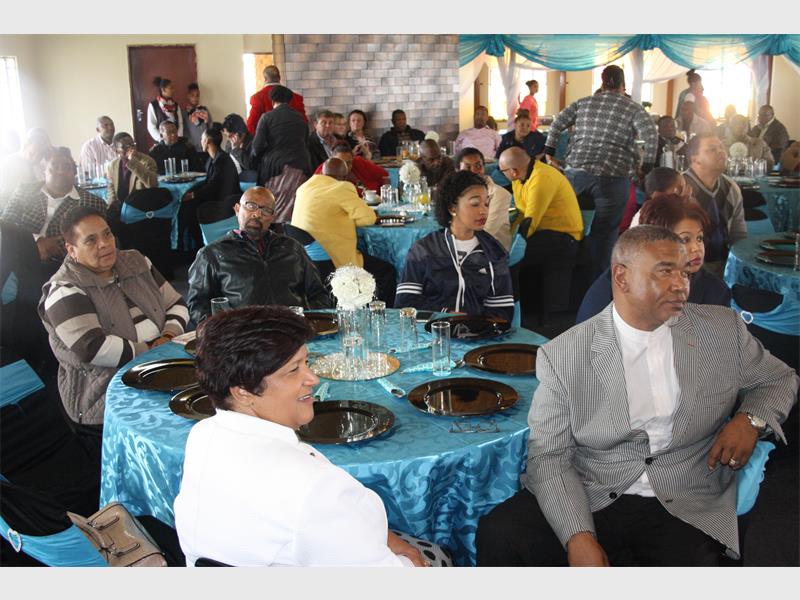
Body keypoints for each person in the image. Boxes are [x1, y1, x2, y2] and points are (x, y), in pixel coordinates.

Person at [476, 225, 799, 566]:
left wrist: (750, 420)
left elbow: (779, 379)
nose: (681, 285)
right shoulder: (565, 355)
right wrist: (577, 535)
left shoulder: (720, 329)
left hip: (688, 490)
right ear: (622, 277)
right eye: (664, 272)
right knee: (500, 534)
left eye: (684, 272)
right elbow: (549, 455)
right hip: (593, 489)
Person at [173, 305, 432, 567]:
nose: (313, 378)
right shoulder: (314, 489)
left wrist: (384, 538)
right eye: (293, 370)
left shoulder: (203, 435)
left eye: (306, 363)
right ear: (243, 392)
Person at [38, 206, 187, 437]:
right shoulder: (63, 289)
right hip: (107, 395)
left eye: (107, 234)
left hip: (162, 371)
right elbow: (93, 348)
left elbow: (176, 303)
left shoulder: (136, 261)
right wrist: (153, 351)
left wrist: (167, 337)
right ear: (72, 250)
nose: (104, 244)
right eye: (91, 240)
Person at [544, 65, 658, 279]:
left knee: (571, 225)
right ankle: (597, 283)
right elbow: (651, 135)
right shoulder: (632, 108)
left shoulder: (584, 102)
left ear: (602, 83)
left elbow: (557, 123)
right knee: (604, 234)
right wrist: (646, 167)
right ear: (623, 85)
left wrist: (549, 152)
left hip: (576, 176)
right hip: (611, 178)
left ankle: (569, 277)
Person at [577, 194, 731, 323]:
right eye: (685, 240)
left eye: (699, 238)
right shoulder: (617, 285)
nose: (697, 248)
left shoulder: (714, 290)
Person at [186, 187, 331, 324]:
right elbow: (197, 305)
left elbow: (318, 294)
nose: (257, 214)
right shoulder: (213, 254)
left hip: (291, 331)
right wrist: (223, 331)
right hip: (242, 334)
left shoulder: (292, 248)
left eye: (266, 210)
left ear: (273, 217)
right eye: (250, 206)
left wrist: (307, 322)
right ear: (237, 209)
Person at [395, 170, 513, 320]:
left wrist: (474, 324)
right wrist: (445, 314)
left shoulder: (494, 253)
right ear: (452, 208)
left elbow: (502, 311)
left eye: (486, 204)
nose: (483, 211)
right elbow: (405, 303)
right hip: (430, 330)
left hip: (476, 332)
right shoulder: (424, 250)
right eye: (475, 204)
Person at [294, 157, 396, 305]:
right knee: (387, 271)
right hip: (334, 259)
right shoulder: (341, 187)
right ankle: (377, 311)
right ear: (344, 177)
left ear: (323, 172)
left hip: (306, 258)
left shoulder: (304, 187)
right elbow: (368, 218)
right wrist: (351, 219)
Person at [1, 148, 106, 268]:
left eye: (66, 167)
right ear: (44, 170)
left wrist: (51, 246)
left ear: (74, 173)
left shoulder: (92, 202)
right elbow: (6, 223)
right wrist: (36, 241)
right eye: (55, 166)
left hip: (64, 264)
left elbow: (90, 237)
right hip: (16, 256)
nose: (60, 171)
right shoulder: (25, 191)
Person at [498, 146, 583, 261]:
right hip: (543, 229)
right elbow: (521, 212)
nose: (502, 174)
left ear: (514, 171)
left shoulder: (541, 178)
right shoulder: (519, 178)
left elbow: (530, 223)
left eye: (503, 171)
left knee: (508, 257)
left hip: (565, 236)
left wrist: (508, 246)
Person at [681, 134, 746, 275]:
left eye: (721, 148)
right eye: (712, 149)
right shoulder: (680, 188)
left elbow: (738, 233)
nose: (721, 152)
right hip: (687, 268)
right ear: (695, 159)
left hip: (725, 265)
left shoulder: (731, 188)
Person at [250, 86, 311, 222]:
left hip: (276, 169)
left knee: (276, 211)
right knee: (297, 209)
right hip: (301, 167)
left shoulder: (267, 117)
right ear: (289, 100)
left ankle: (277, 233)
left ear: (272, 101)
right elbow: (306, 143)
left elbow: (257, 147)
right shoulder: (301, 118)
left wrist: (253, 163)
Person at [179, 123, 240, 250]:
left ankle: (199, 246)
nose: (200, 141)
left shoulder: (222, 160)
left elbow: (213, 186)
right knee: (187, 206)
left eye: (202, 139)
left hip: (224, 200)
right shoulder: (213, 158)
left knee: (189, 209)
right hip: (215, 195)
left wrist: (193, 194)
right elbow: (209, 182)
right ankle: (191, 245)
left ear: (207, 141)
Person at [456, 147, 513, 251]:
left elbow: (487, 232)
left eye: (478, 166)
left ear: (484, 167)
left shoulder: (499, 195)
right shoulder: (456, 191)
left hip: (491, 249)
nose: (474, 171)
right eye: (468, 167)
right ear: (458, 170)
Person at [246, 64, 307, 135]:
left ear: (265, 79)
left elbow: (251, 126)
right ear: (279, 77)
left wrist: (262, 139)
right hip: (294, 140)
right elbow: (304, 123)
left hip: (269, 141)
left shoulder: (257, 98)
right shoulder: (296, 97)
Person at [105, 132, 158, 210]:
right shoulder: (113, 165)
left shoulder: (147, 161)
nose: (130, 149)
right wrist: (112, 203)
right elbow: (111, 187)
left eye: (132, 145)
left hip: (140, 206)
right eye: (124, 147)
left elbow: (152, 184)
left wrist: (133, 162)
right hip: (120, 206)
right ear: (116, 151)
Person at [0, 128, 51, 207]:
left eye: (40, 155)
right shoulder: (6, 163)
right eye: (32, 153)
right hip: (12, 207)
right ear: (25, 145)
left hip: (37, 208)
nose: (35, 158)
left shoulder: (43, 166)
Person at [312, 142, 389, 193]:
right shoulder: (324, 171)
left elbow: (384, 175)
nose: (345, 166)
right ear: (332, 160)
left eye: (348, 162)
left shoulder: (358, 163)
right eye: (340, 162)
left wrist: (382, 194)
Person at [146, 76, 184, 144]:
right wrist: (161, 139)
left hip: (176, 141)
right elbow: (151, 127)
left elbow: (180, 123)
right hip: (161, 142)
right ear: (163, 90)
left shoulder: (175, 105)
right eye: (171, 88)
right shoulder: (153, 105)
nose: (173, 90)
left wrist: (178, 138)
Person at [183, 82, 212, 152]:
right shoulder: (185, 113)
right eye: (192, 95)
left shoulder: (204, 110)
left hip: (206, 146)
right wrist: (187, 142)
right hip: (192, 147)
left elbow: (210, 125)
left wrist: (209, 140)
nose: (195, 98)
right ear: (188, 96)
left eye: (197, 95)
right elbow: (184, 130)